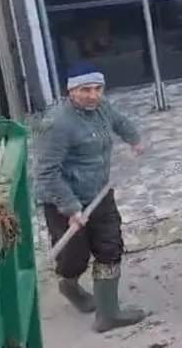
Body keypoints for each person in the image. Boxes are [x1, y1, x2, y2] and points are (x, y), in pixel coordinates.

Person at [36, 62, 146, 333]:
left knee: (110, 247)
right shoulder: (58, 124)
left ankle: (108, 314)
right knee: (74, 257)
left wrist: (134, 139)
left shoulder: (101, 107)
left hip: (100, 192)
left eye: (98, 88)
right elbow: (47, 173)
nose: (94, 95)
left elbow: (118, 120)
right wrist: (71, 207)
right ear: (71, 90)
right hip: (63, 199)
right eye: (86, 90)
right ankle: (69, 286)